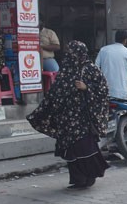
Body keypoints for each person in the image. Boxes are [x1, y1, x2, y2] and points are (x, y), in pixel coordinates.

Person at [27, 41, 110, 190]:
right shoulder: (65, 71)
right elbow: (55, 93)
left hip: (83, 118)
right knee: (71, 150)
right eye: (68, 52)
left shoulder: (90, 69)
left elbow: (103, 90)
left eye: (72, 53)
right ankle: (78, 180)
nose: (70, 56)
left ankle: (90, 176)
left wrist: (86, 88)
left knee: (84, 147)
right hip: (66, 118)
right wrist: (41, 112)